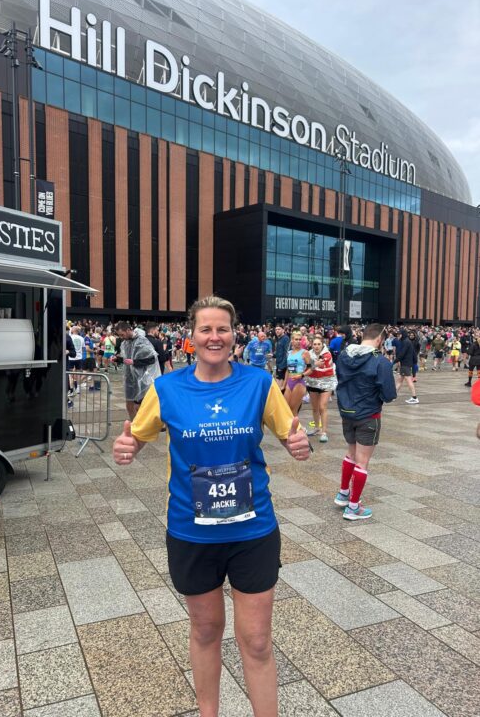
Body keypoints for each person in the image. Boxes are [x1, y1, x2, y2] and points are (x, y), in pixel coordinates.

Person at [112, 296, 310, 717]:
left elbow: (288, 431)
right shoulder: (167, 388)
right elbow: (139, 434)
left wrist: (298, 442)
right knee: (205, 629)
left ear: (235, 334)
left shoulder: (257, 383)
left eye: (223, 328)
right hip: (192, 530)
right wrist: (128, 446)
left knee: (256, 639)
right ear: (191, 336)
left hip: (252, 531)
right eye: (206, 329)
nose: (214, 337)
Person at [335, 323, 397, 520]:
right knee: (362, 461)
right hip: (368, 414)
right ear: (379, 340)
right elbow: (389, 395)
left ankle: (343, 493)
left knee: (350, 453)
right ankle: (354, 507)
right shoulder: (381, 362)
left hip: (347, 412)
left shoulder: (344, 355)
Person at [116, 323, 161, 420]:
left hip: (142, 379)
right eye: (119, 335)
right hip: (130, 378)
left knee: (140, 406)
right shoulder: (125, 343)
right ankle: (134, 426)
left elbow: (152, 359)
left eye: (122, 335)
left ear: (128, 330)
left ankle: (147, 426)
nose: (121, 337)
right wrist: (117, 359)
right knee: (129, 405)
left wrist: (134, 362)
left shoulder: (142, 341)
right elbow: (126, 359)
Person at [305, 335, 337, 443]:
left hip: (326, 383)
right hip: (312, 383)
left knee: (322, 407)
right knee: (314, 408)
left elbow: (318, 365)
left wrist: (310, 365)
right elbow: (308, 365)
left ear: (322, 344)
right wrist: (310, 365)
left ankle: (324, 432)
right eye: (314, 344)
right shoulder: (309, 354)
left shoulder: (327, 354)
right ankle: (316, 428)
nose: (317, 346)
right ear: (311, 345)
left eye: (319, 344)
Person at [283, 331, 312, 415]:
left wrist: (302, 375)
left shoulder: (304, 352)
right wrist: (283, 385)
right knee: (286, 408)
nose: (298, 341)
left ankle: (296, 428)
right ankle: (290, 428)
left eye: (300, 339)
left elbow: (311, 369)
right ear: (292, 340)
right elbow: (288, 370)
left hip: (299, 383)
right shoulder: (289, 353)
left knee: (293, 410)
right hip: (289, 382)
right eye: (296, 339)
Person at [395, 329, 419, 404]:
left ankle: (414, 397)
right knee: (399, 380)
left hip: (406, 364)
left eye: (400, 334)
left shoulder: (406, 342)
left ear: (403, 334)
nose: (398, 336)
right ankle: (393, 395)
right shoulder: (406, 341)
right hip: (405, 364)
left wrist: (394, 361)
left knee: (408, 380)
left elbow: (402, 353)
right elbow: (413, 353)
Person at [273, 325, 289, 391]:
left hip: (282, 366)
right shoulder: (279, 339)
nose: (277, 331)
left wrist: (281, 367)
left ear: (283, 330)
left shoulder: (285, 338)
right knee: (279, 385)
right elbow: (279, 352)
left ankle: (282, 400)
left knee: (280, 387)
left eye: (279, 329)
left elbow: (287, 353)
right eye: (276, 329)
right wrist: (273, 355)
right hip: (278, 365)